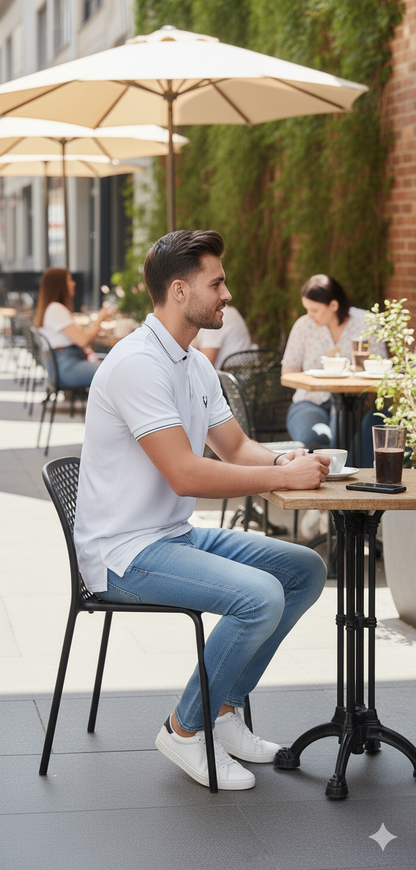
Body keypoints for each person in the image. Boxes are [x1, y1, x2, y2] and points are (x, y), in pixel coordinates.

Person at [74, 230, 329, 792]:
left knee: (304, 571)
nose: (227, 294)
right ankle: (185, 728)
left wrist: (292, 457)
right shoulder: (138, 364)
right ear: (179, 290)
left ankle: (222, 712)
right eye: (217, 284)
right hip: (125, 552)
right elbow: (186, 472)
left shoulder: (192, 363)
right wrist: (281, 477)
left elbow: (236, 449)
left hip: (172, 536)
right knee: (258, 596)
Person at [282, 274, 387, 463]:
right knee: (318, 438)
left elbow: (382, 370)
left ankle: (351, 486)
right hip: (310, 402)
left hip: (355, 403)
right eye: (307, 309)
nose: (309, 315)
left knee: (346, 438)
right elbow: (288, 372)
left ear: (333, 305)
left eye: (314, 310)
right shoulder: (304, 326)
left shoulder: (367, 323)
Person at [35, 267, 113, 388]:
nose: (73, 283)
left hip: (65, 365)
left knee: (111, 370)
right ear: (60, 285)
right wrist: (100, 319)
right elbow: (82, 341)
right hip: (67, 368)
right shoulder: (56, 309)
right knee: (113, 373)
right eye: (69, 280)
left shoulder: (53, 308)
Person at [194, 303, 256, 369]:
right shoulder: (231, 311)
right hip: (246, 371)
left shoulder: (214, 317)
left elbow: (203, 365)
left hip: (228, 375)